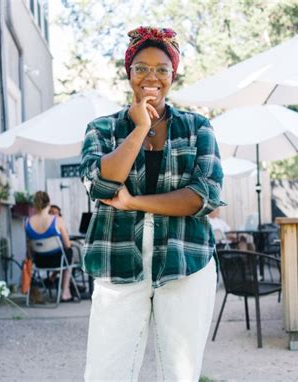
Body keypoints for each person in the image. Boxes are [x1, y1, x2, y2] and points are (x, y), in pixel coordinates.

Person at [80, 26, 224, 380]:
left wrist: (134, 202)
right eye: (141, 67)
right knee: (105, 372)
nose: (152, 77)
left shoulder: (197, 127)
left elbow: (204, 196)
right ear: (129, 72)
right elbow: (100, 183)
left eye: (162, 69)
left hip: (184, 262)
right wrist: (140, 127)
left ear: (172, 75)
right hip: (117, 262)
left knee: (179, 373)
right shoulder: (101, 129)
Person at [25, 191, 75, 302]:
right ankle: (65, 291)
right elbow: (67, 245)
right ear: (49, 203)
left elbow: (29, 250)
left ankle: (53, 280)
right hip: (57, 261)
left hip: (39, 262)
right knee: (70, 253)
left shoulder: (28, 222)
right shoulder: (57, 220)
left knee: (65, 255)